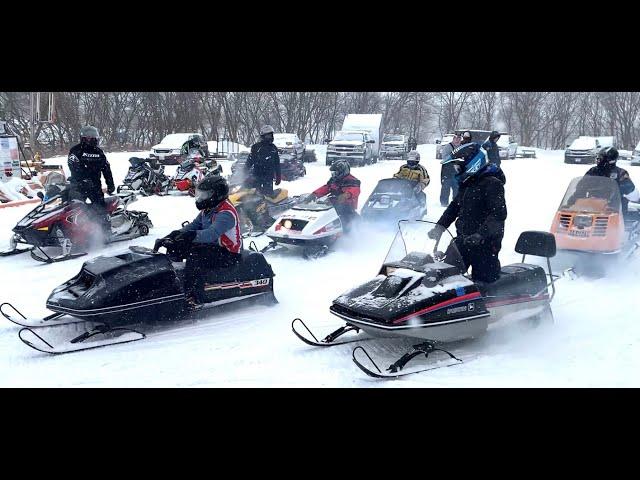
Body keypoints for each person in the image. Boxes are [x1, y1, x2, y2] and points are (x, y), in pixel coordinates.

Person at [156, 175, 242, 308]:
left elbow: (211, 234)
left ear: (216, 195)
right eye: (200, 195)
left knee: (195, 255)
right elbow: (193, 226)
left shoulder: (226, 213)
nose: (201, 198)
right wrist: (174, 236)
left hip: (229, 253)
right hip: (213, 247)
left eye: (205, 195)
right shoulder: (208, 209)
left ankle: (193, 295)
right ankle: (171, 282)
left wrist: (189, 236)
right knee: (176, 246)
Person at [429, 142, 507, 283]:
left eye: (458, 166)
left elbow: (498, 215)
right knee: (445, 277)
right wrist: (440, 227)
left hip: (486, 244)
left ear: (473, 163)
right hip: (463, 240)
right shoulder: (468, 183)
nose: (456, 169)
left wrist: (480, 234)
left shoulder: (492, 184)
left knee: (484, 284)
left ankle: (493, 303)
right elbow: (454, 207)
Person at [67, 126, 115, 237]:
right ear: (84, 138)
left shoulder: (99, 152)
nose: (92, 140)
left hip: (94, 186)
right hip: (78, 186)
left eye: (93, 138)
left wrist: (110, 185)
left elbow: (106, 169)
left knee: (100, 209)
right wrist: (83, 179)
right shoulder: (75, 150)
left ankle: (105, 232)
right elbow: (73, 167)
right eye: (89, 138)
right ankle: (72, 232)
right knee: (74, 209)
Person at [578, 147, 639, 217]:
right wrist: (570, 204)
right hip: (591, 211)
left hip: (615, 212)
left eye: (600, 158)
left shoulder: (620, 174)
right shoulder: (592, 171)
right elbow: (580, 189)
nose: (598, 160)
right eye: (598, 157)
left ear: (609, 160)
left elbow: (634, 196)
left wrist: (625, 188)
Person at [306, 159, 361, 231]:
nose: (333, 174)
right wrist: (314, 194)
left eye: (336, 172)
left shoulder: (353, 181)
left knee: (344, 222)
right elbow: (326, 187)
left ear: (342, 172)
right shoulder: (334, 180)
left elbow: (355, 190)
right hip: (333, 204)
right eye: (333, 172)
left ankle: (344, 234)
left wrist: (346, 195)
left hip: (346, 207)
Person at [245, 125, 281, 197]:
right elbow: (249, 161)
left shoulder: (274, 148)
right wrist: (244, 173)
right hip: (257, 175)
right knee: (255, 196)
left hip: (268, 177)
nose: (270, 137)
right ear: (263, 136)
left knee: (268, 196)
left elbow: (277, 163)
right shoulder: (256, 147)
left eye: (271, 135)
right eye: (267, 136)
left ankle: (268, 208)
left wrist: (278, 176)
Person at [439, 133, 461, 206]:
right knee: (446, 187)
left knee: (456, 188)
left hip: (457, 171)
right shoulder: (448, 147)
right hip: (447, 171)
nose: (457, 140)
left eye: (459, 139)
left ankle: (455, 203)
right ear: (453, 139)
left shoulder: (461, 147)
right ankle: (444, 203)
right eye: (456, 138)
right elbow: (444, 158)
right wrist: (454, 160)